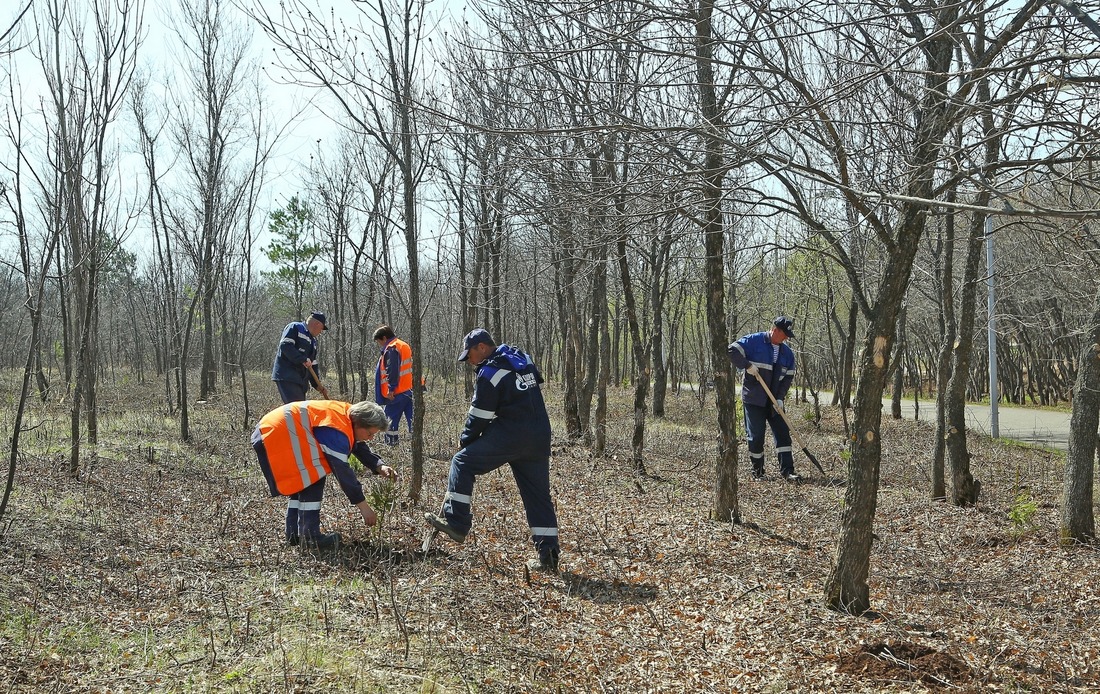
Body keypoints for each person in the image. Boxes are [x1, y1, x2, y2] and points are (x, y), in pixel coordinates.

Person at [424, 328, 561, 573]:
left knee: (461, 462)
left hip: (512, 435)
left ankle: (456, 522)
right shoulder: (520, 358)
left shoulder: (490, 372)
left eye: (470, 355)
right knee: (538, 496)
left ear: (482, 348)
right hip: (540, 434)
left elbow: (480, 415)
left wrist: (466, 439)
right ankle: (548, 556)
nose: (469, 362)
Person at [251, 400, 397, 548]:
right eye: (370, 433)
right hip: (275, 435)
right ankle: (310, 538)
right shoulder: (336, 431)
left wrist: (379, 466)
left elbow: (356, 444)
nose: (370, 438)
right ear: (359, 423)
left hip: (270, 430)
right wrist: (364, 507)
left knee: (303, 480)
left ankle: (294, 534)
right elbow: (343, 473)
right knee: (313, 476)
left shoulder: (347, 417)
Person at [728, 316, 800, 481]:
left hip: (774, 402)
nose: (786, 338)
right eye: (785, 334)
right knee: (756, 435)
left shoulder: (787, 354)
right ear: (776, 330)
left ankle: (788, 471)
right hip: (754, 399)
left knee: (783, 434)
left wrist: (780, 398)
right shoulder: (754, 341)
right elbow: (732, 350)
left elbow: (788, 378)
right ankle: (758, 472)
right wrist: (747, 366)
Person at [272, 311, 329, 404]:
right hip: (288, 376)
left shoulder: (313, 341)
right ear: (317, 324)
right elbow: (286, 345)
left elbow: (312, 364)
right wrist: (302, 359)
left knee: (300, 409)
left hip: (301, 380)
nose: (320, 332)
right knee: (297, 409)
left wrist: (316, 385)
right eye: (321, 329)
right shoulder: (295, 327)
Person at [373, 325, 414, 446]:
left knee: (389, 420)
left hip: (397, 393)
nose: (380, 345)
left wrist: (391, 389)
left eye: (379, 342)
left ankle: (391, 445)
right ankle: (417, 446)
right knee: (412, 420)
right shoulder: (403, 345)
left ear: (384, 338)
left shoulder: (392, 348)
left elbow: (392, 370)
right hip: (409, 390)